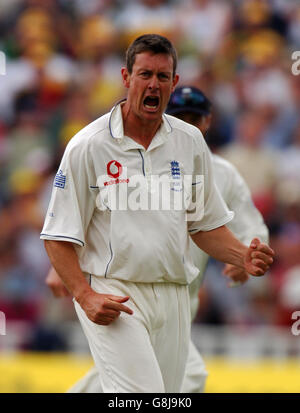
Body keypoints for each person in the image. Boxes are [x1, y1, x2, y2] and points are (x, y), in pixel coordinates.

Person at [41, 34, 274, 393]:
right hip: (116, 292)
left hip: (175, 297)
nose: (154, 84)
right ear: (126, 77)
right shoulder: (89, 145)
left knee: (166, 396)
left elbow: (205, 226)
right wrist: (84, 295)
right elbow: (57, 234)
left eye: (163, 77)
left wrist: (243, 255)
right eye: (145, 74)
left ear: (174, 82)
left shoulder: (190, 142)